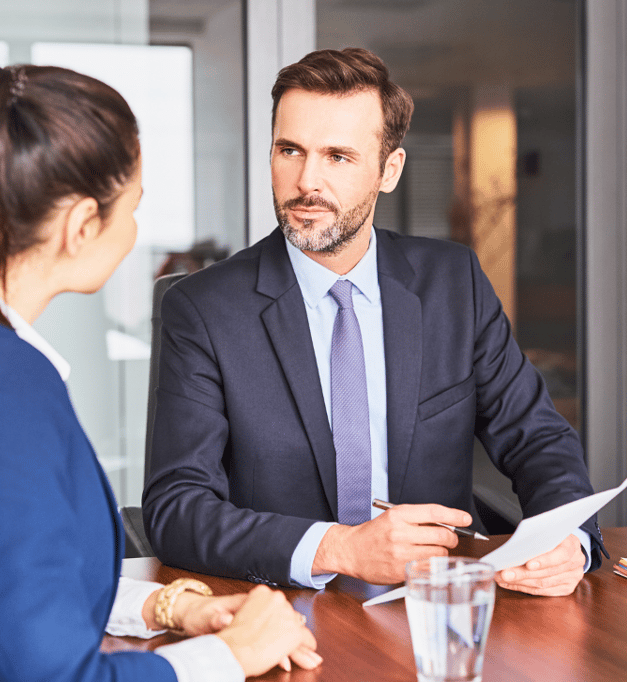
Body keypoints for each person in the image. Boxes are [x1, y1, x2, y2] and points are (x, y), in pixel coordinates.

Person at [0, 57, 321, 682]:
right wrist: (230, 657)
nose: (133, 231)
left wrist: (171, 607)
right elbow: (55, 673)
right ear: (81, 225)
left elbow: (10, 586)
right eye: (131, 207)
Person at [143, 47, 605, 597]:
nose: (306, 181)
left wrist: (568, 538)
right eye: (289, 150)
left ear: (390, 170)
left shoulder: (452, 283)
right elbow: (177, 508)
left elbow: (537, 438)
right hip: (284, 607)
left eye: (338, 156)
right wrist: (340, 547)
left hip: (437, 602)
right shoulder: (203, 309)